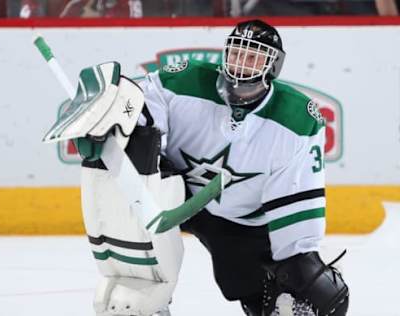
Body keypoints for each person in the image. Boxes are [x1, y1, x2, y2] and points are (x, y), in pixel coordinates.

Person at [134, 19, 349, 315]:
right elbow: (140, 104)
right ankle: (144, 304)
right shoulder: (184, 82)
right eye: (236, 53)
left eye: (253, 56)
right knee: (134, 197)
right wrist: (139, 145)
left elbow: (296, 195)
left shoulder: (296, 120)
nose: (241, 64)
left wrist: (299, 263)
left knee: (312, 291)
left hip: (242, 222)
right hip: (175, 194)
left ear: (273, 65)